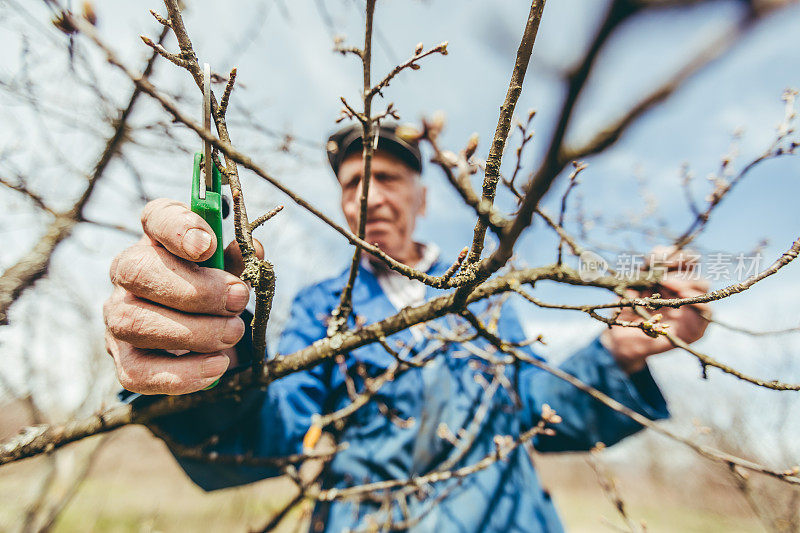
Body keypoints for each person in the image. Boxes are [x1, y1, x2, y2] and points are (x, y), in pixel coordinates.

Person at [103, 123, 711, 532]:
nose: (369, 198)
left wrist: (616, 349)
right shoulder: (323, 308)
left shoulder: (483, 293)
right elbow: (272, 432)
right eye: (351, 185)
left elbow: (531, 407)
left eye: (388, 178)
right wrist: (200, 373)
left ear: (423, 195)